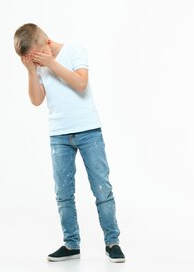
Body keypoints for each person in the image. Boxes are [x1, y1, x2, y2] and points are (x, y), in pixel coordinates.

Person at [13, 23, 125, 263]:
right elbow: (36, 100)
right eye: (30, 59)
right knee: (63, 193)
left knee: (102, 189)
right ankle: (71, 243)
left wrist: (51, 63)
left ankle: (112, 241)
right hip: (59, 135)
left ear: (47, 44)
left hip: (88, 131)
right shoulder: (40, 66)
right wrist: (32, 71)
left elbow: (80, 83)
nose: (37, 61)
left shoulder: (74, 51)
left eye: (37, 56)